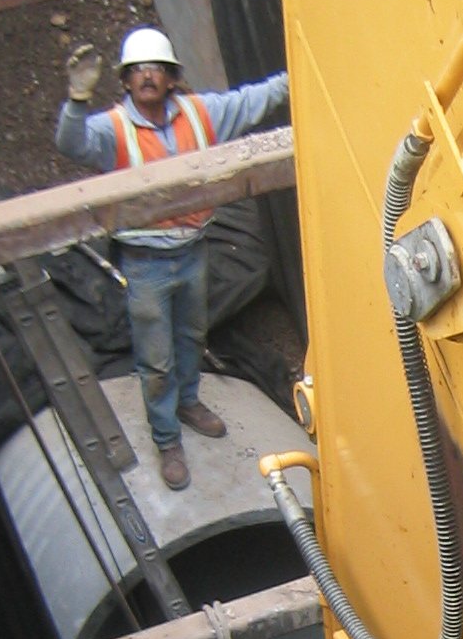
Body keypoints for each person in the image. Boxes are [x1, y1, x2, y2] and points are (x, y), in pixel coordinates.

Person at [57, 27, 290, 489]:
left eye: (156, 69)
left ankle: (189, 401)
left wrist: (296, 73)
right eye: (138, 70)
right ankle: (167, 440)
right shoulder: (113, 128)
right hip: (145, 262)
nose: (147, 76)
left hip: (192, 250)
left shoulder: (200, 114)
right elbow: (73, 143)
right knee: (156, 356)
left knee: (190, 336)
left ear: (171, 78)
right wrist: (76, 101)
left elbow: (253, 100)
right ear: (125, 81)